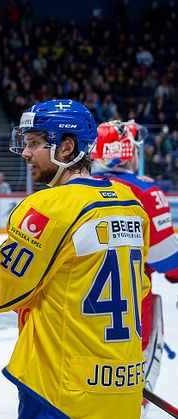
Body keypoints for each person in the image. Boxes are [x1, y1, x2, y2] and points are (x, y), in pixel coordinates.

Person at [0, 100, 151, 418]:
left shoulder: (49, 206)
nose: (25, 153)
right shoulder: (130, 203)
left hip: (61, 392)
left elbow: (1, 291)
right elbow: (141, 288)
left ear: (66, 147)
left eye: (35, 143)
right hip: (123, 387)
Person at [91, 119, 178, 404]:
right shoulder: (145, 191)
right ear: (127, 152)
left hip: (81, 315)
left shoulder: (72, 189)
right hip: (129, 314)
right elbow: (169, 263)